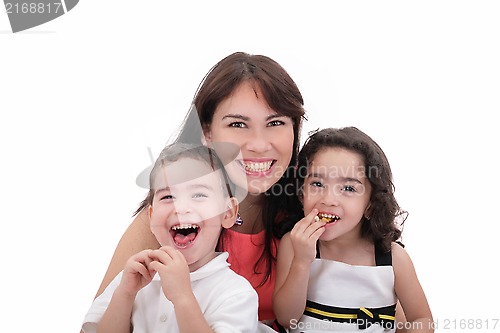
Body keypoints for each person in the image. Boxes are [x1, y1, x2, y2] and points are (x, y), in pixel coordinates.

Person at [92, 52, 306, 328]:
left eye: (275, 123)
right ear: (207, 133)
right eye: (238, 124)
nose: (258, 144)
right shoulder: (166, 219)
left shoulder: (308, 218)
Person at [82, 143, 260, 333]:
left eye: (199, 194)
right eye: (168, 197)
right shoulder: (131, 279)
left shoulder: (235, 293)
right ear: (151, 217)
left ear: (227, 212)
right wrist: (125, 294)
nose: (181, 208)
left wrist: (182, 297)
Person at [273, 127, 433, 332]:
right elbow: (287, 318)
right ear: (301, 192)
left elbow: (421, 318)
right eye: (317, 183)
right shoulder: (294, 245)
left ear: (371, 204)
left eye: (348, 188)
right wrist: (302, 262)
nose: (328, 200)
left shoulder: (393, 259)